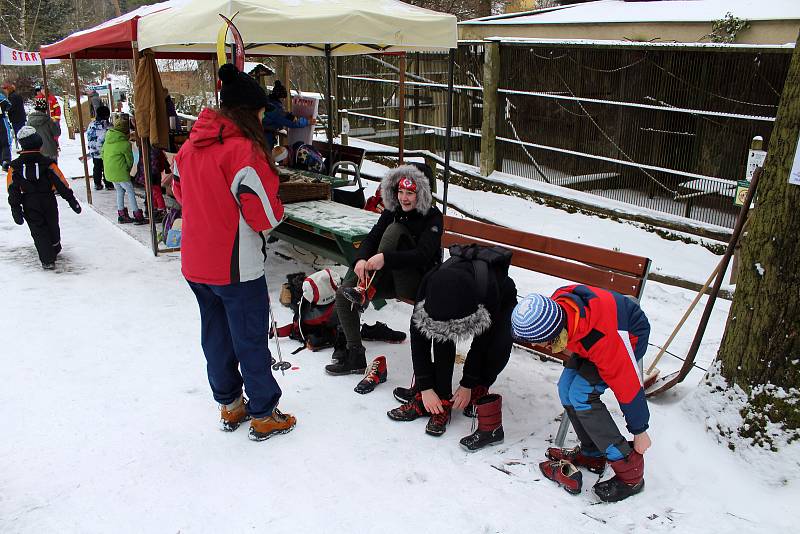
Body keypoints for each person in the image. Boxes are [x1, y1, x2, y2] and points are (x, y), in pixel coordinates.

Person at [173, 63, 296, 442]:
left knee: (215, 335)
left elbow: (178, 193)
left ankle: (230, 404)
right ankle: (262, 412)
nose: (264, 118)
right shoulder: (244, 151)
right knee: (249, 338)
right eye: (261, 112)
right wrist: (279, 206)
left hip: (196, 261)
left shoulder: (190, 147)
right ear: (248, 112)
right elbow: (263, 216)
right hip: (235, 266)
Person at [510, 287, 651, 502]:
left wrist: (640, 430)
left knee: (581, 395)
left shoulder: (603, 340)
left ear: (554, 334)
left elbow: (627, 383)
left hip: (627, 335)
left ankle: (629, 469)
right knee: (566, 389)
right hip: (589, 333)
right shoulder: (558, 312)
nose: (535, 346)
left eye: (539, 342)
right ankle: (592, 453)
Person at [324, 165, 443, 384]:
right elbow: (372, 237)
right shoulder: (393, 210)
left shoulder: (433, 217)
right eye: (400, 192)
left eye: (410, 193)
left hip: (416, 283)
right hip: (388, 278)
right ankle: (355, 355)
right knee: (344, 292)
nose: (404, 198)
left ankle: (364, 289)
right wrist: (360, 260)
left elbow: (423, 255)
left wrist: (385, 259)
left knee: (394, 230)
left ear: (422, 193)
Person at [387, 245, 517, 441]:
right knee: (442, 335)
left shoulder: (486, 291)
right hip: (454, 295)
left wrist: (468, 384)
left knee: (499, 344)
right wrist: (426, 387)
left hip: (501, 299)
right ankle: (441, 396)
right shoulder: (429, 284)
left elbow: (481, 344)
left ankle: (480, 386)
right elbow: (419, 340)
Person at [6, 126, 81, 270]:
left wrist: (16, 209)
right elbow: (61, 183)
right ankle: (55, 246)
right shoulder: (48, 164)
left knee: (38, 230)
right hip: (48, 200)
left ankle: (47, 259)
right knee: (52, 224)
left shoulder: (15, 167)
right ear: (39, 143)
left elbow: (12, 190)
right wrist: (72, 201)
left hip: (29, 202)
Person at [101, 117, 145, 224]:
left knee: (120, 191)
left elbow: (102, 155)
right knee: (130, 191)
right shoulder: (125, 144)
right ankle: (137, 214)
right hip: (120, 172)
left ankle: (121, 214)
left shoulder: (107, 141)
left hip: (109, 172)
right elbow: (130, 160)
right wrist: (127, 170)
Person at [262, 80, 308, 150]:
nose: (284, 100)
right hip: (265, 139)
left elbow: (281, 114)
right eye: (283, 98)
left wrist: (288, 115)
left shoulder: (268, 103)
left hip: (261, 137)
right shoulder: (274, 109)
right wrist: (308, 121)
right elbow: (292, 123)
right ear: (279, 97)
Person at [86, 105, 113, 190]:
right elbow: (107, 136)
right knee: (106, 167)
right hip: (104, 151)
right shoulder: (105, 125)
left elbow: (89, 136)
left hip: (94, 150)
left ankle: (97, 184)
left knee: (97, 167)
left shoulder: (91, 124)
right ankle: (108, 183)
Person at [27, 97, 61, 162]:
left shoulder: (29, 122)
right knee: (53, 170)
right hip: (50, 151)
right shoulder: (49, 121)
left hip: (35, 151)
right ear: (45, 109)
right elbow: (57, 133)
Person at [0, 92, 12, 170]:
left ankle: (4, 161)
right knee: (5, 141)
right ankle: (5, 160)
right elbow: (8, 105)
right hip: (1, 120)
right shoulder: (1, 96)